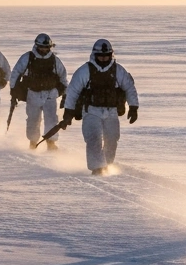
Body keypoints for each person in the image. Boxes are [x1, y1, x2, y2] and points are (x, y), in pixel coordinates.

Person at [61, 39, 139, 174]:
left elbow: (129, 88)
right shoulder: (85, 70)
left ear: (111, 55)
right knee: (93, 139)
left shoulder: (118, 70)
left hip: (112, 112)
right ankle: (97, 168)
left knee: (112, 140)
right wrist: (68, 112)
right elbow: (73, 91)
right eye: (101, 56)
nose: (104, 59)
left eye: (106, 55)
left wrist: (133, 107)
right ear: (95, 55)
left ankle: (106, 165)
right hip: (91, 111)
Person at [10, 34, 68, 150]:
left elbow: (63, 77)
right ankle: (32, 142)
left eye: (46, 47)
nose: (44, 49)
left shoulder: (54, 60)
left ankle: (51, 143)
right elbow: (16, 73)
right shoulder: (27, 58)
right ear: (36, 46)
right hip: (33, 94)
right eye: (42, 47)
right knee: (33, 119)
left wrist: (63, 94)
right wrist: (13, 91)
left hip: (50, 94)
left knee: (51, 119)